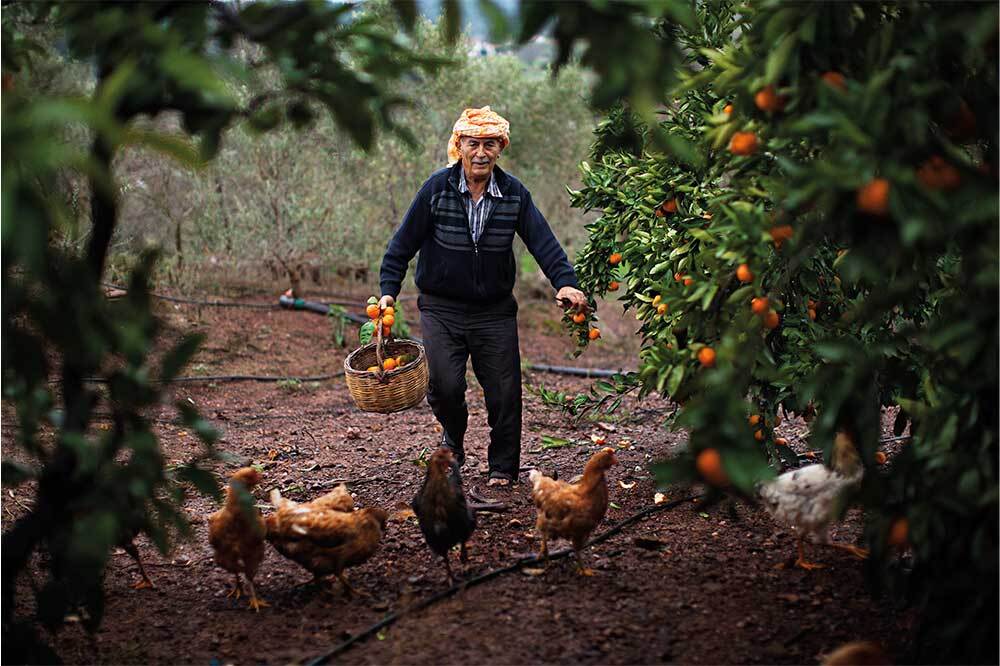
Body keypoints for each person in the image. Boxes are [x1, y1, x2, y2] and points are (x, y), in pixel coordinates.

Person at [379, 106, 587, 488]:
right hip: (441, 308)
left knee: (505, 392)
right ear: (459, 146)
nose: (481, 153)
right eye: (473, 144)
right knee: (444, 385)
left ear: (499, 148)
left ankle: (503, 467)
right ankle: (453, 441)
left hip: (493, 311)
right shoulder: (436, 189)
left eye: (489, 144)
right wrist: (388, 293)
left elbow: (544, 242)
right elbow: (400, 246)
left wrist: (565, 282)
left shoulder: (513, 194)